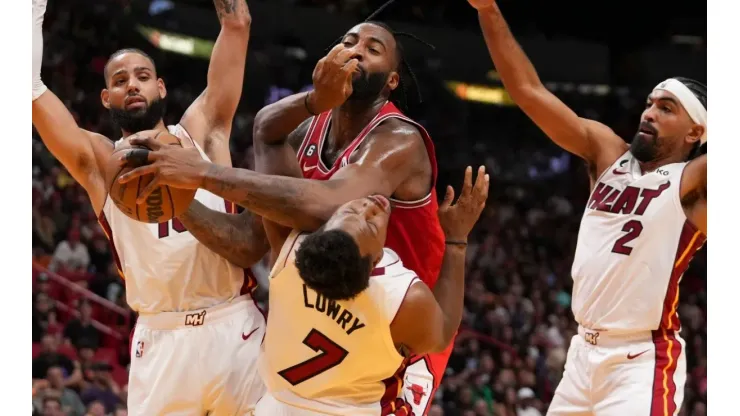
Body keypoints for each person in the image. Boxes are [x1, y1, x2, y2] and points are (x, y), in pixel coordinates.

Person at [118, 18, 454, 415]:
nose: (356, 50)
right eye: (348, 41)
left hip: (396, 325)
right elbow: (247, 241)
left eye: (372, 49)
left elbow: (327, 202)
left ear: (391, 81)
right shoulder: (305, 132)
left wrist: (202, 173)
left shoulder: (399, 139)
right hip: (321, 315)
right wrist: (176, 200)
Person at [466, 0, 707, 415]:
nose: (648, 114)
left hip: (641, 360)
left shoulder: (695, 183)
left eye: (666, 109)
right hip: (581, 355)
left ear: (696, 131)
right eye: (650, 103)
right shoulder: (607, 152)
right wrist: (488, 10)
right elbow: (528, 92)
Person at [31, 0, 268, 413]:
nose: (133, 85)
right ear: (106, 98)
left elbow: (237, 23)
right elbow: (25, 87)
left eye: (142, 76)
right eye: (120, 80)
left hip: (234, 329)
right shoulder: (100, 162)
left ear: (160, 87)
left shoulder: (202, 130)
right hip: (161, 340)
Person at [254, 167, 488, 415]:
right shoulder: (402, 298)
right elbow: (443, 334)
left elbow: (273, 171)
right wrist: (456, 240)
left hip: (276, 403)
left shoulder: (290, 250)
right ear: (376, 261)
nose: (370, 207)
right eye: (370, 224)